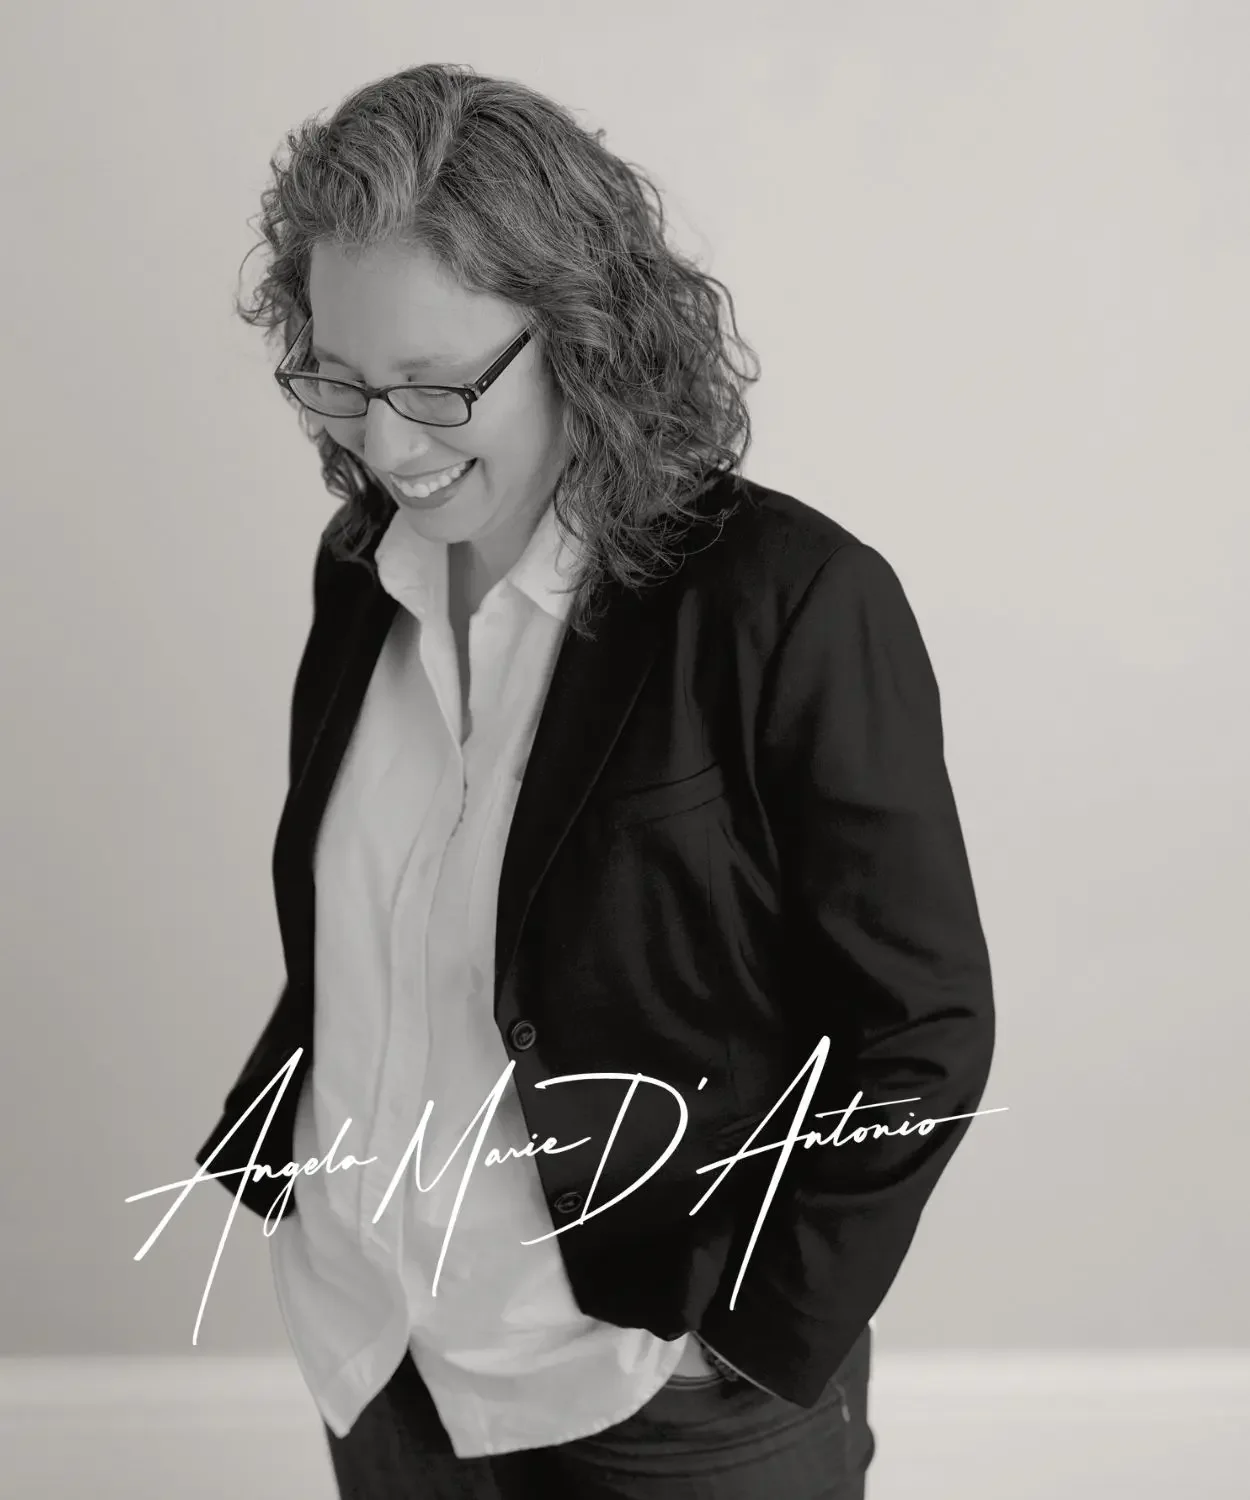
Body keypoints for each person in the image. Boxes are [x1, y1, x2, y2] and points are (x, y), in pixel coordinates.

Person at [193, 62, 996, 1500]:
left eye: (437, 386)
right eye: (339, 378)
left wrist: (753, 1337)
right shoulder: (360, 572)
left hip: (660, 1394)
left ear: (584, 336)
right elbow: (384, 919)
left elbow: (921, 1030)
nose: (382, 447)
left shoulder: (789, 601)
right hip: (377, 1353)